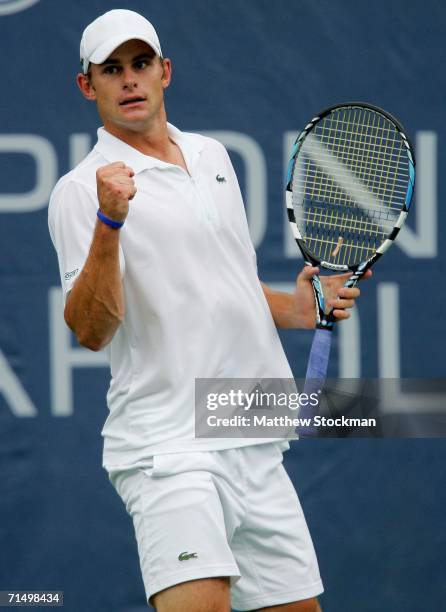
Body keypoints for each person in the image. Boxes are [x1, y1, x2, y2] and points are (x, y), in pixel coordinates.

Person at [48, 9, 368, 612]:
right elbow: (90, 330)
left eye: (141, 64)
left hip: (251, 438)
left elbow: (221, 287)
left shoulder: (214, 157)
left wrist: (296, 309)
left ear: (165, 71)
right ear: (88, 86)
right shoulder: (81, 190)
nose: (130, 80)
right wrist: (110, 220)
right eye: (111, 70)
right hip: (170, 448)